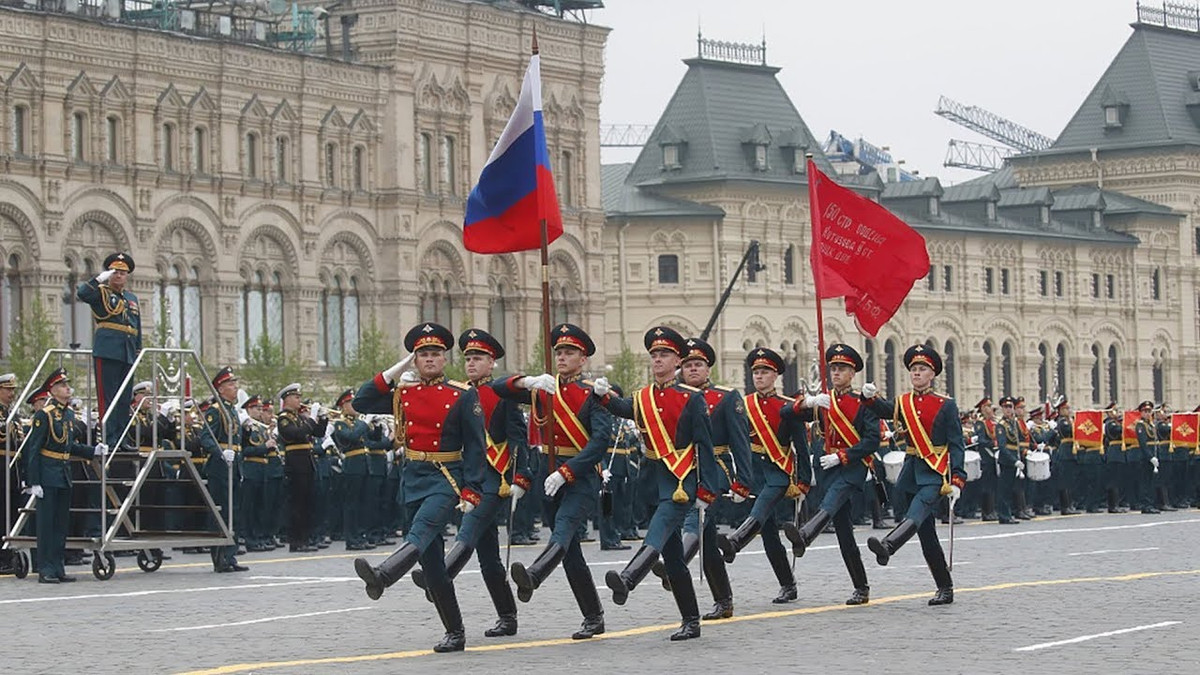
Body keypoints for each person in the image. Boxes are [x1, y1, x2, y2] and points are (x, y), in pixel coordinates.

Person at [351, 322, 485, 653]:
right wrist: (397, 369)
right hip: (413, 477)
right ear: (415, 359)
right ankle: (455, 632)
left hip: (445, 476)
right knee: (433, 563)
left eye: (435, 354)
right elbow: (362, 400)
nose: (429, 359)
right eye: (422, 354)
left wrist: (472, 489)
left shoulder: (463, 395)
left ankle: (384, 574)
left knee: (423, 529)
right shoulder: (404, 393)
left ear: (444, 358)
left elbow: (476, 446)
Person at [592, 327, 721, 640]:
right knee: (675, 559)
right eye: (654, 355)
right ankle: (691, 620)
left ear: (677, 360)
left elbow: (705, 445)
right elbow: (624, 409)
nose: (658, 359)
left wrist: (706, 490)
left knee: (658, 531)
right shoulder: (643, 397)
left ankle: (628, 578)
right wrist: (603, 396)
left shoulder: (691, 399)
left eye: (664, 354)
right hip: (654, 481)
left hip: (680, 482)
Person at [411, 328, 531, 638]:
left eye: (479, 358)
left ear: (492, 363)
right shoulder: (458, 392)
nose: (472, 363)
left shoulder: (502, 395)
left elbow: (519, 438)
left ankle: (439, 575)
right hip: (468, 476)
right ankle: (508, 616)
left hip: (495, 479)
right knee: (488, 556)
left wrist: (521, 477)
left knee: (468, 529)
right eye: (468, 358)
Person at [501, 323, 612, 640]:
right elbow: (499, 388)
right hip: (545, 474)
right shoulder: (542, 389)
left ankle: (535, 575)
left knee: (564, 529)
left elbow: (599, 442)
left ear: (583, 359)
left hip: (578, 476)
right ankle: (594, 616)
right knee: (571, 552)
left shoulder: (593, 393)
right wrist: (526, 380)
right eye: (559, 352)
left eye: (570, 352)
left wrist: (568, 471)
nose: (563, 357)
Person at [647, 337, 753, 621]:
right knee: (706, 539)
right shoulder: (671, 396)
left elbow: (741, 441)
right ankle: (724, 600)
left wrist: (743, 481)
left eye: (699, 365)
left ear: (708, 369)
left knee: (695, 517)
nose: (693, 369)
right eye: (689, 364)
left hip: (714, 468)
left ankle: (674, 565)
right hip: (678, 469)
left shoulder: (726, 397)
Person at [863, 345, 966, 606]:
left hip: (935, 471)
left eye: (922, 369)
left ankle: (888, 545)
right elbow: (885, 410)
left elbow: (957, 444)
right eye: (914, 369)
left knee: (917, 512)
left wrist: (957, 479)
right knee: (927, 535)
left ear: (932, 374)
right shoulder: (904, 402)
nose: (917, 373)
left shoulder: (946, 405)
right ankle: (945, 587)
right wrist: (869, 398)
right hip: (912, 471)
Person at [782, 343, 879, 606]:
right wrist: (809, 401)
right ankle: (861, 586)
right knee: (844, 532)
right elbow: (786, 413)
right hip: (827, 468)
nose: (836, 373)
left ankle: (806, 534)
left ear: (852, 373)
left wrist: (843, 455)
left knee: (832, 501)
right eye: (833, 368)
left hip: (851, 467)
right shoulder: (824, 401)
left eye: (842, 369)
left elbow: (872, 440)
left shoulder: (863, 403)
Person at [715, 348, 812, 605]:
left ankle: (736, 542)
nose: (759, 376)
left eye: (765, 372)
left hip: (778, 472)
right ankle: (788, 585)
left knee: (759, 510)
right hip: (755, 472)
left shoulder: (788, 407)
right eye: (756, 372)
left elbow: (802, 447)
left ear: (776, 375)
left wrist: (803, 481)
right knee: (769, 536)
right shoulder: (743, 405)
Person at [23, 369, 108, 583]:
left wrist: (93, 451)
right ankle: (45, 569)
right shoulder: (45, 414)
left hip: (63, 473)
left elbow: (70, 446)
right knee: (47, 525)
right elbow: (33, 449)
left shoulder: (68, 414)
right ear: (52, 390)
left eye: (67, 385)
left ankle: (58, 567)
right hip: (47, 475)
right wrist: (34, 481)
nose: (67, 388)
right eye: (62, 385)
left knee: (61, 525)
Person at [76, 252, 142, 448]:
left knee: (124, 398)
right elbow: (82, 293)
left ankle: (122, 438)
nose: (119, 275)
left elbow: (136, 326)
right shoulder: (101, 292)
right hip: (108, 350)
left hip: (128, 351)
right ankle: (109, 437)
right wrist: (98, 279)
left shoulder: (131, 298)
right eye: (115, 272)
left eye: (122, 272)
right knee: (109, 396)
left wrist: (138, 350)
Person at [199, 367, 248, 573]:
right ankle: (220, 557)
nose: (235, 387)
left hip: (234, 464)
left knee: (233, 512)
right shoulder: (215, 410)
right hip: (220, 466)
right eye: (230, 384)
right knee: (222, 511)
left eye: (234, 384)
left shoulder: (231, 409)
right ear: (220, 389)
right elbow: (206, 438)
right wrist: (221, 451)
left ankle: (230, 555)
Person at [276, 384, 326, 551]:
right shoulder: (284, 418)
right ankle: (296, 542)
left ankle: (305, 539)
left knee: (307, 503)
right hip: (295, 463)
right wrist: (311, 418)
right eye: (296, 397)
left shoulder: (299, 417)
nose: (299, 400)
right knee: (297, 504)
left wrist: (323, 418)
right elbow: (295, 434)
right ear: (287, 399)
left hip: (306, 461)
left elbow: (318, 433)